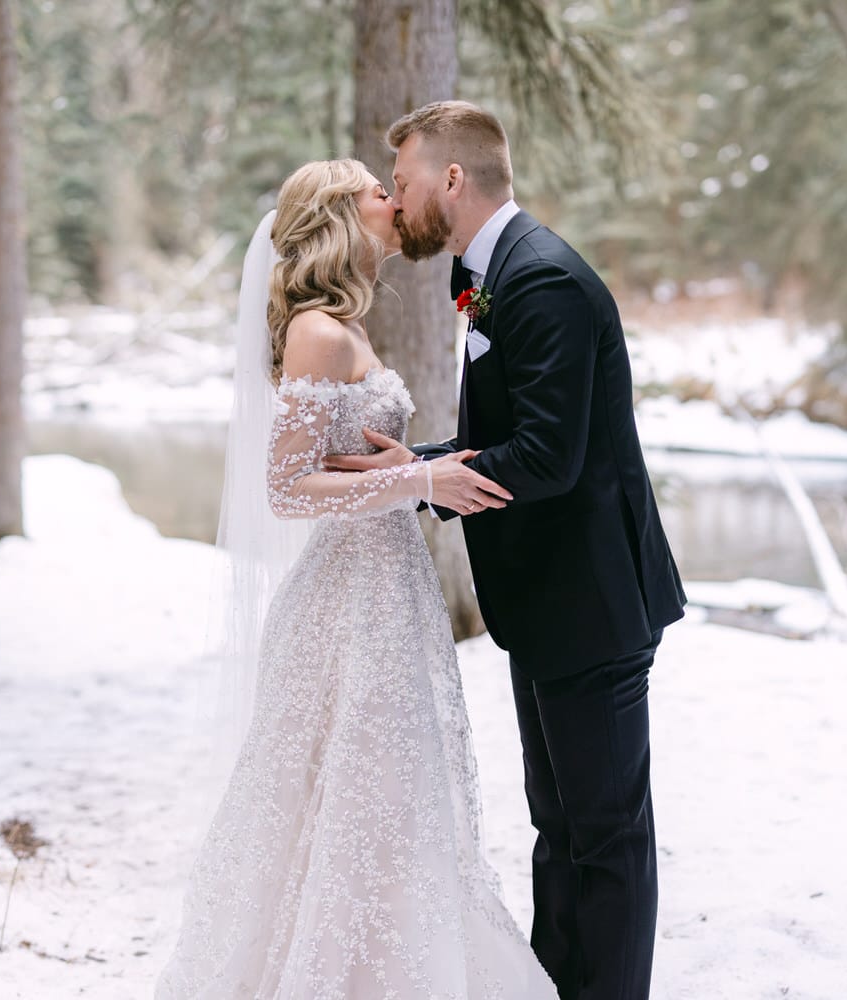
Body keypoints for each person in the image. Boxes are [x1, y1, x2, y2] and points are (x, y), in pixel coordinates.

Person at [154, 158, 556, 998]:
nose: (394, 198)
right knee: (351, 798)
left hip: (388, 592)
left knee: (388, 801)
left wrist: (415, 470)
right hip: (345, 606)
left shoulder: (346, 326)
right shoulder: (318, 331)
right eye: (379, 190)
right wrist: (421, 483)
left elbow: (346, 469)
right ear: (341, 214)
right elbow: (286, 486)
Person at [330, 101, 688, 1000]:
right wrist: (417, 462)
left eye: (404, 183)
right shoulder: (495, 277)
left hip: (593, 603)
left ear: (454, 179)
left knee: (604, 835)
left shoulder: (544, 282)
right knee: (559, 826)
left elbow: (549, 458)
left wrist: (420, 484)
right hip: (547, 604)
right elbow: (513, 434)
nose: (397, 201)